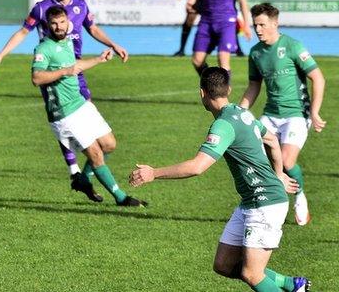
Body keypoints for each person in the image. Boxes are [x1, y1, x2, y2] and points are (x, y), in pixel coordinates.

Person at [131, 67, 311, 292]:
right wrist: (278, 174)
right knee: (224, 265)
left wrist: (153, 173)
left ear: (202, 93)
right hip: (251, 202)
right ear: (229, 90)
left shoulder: (223, 125)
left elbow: (197, 167)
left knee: (251, 274)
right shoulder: (241, 112)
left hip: (265, 204)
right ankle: (292, 284)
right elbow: (272, 140)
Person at [0, 0, 128, 189]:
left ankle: (84, 178)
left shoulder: (80, 5)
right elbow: (23, 32)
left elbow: (92, 28)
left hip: (77, 71)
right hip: (54, 74)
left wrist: (113, 44)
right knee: (65, 119)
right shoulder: (42, 8)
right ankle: (74, 169)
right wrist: (1, 55)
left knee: (95, 129)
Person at [32, 5, 145, 207]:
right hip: (64, 115)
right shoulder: (43, 49)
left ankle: (83, 180)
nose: (59, 27)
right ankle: (121, 198)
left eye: (62, 22)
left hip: (81, 105)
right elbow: (37, 77)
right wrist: (63, 72)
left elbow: (76, 66)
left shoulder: (67, 42)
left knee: (109, 144)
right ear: (48, 25)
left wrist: (99, 59)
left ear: (68, 22)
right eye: (54, 23)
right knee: (95, 154)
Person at [239, 3, 326, 226]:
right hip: (270, 114)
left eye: (262, 25)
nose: (257, 30)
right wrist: (240, 112)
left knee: (286, 161)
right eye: (255, 24)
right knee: (258, 159)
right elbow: (253, 86)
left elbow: (318, 78)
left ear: (275, 23)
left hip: (296, 114)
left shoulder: (293, 46)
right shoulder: (255, 53)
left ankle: (299, 197)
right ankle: (267, 202)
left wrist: (314, 112)